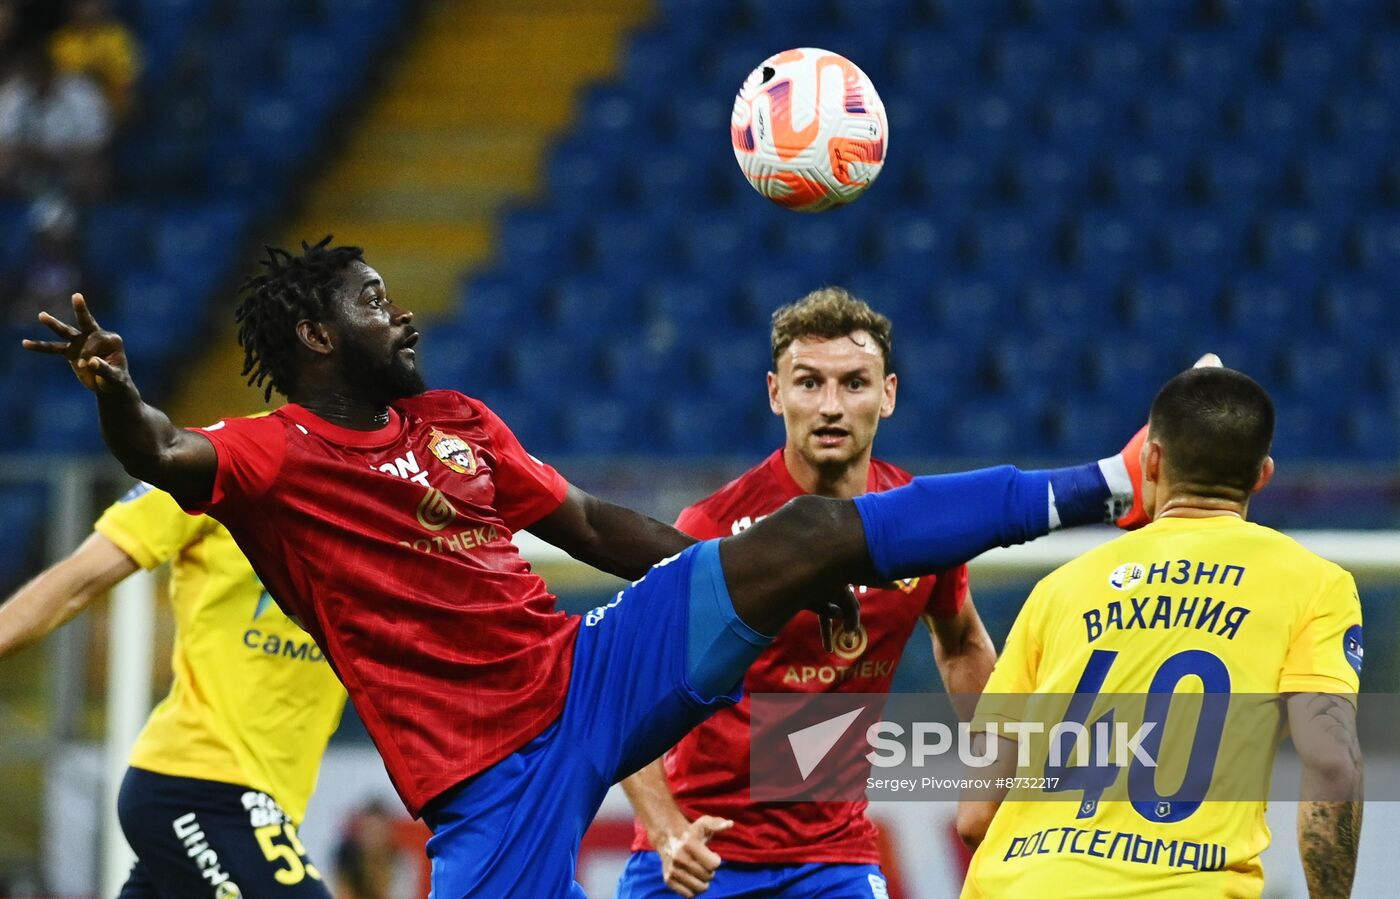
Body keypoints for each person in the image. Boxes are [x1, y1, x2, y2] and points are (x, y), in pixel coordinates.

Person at [23, 237, 1149, 896]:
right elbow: (165, 455)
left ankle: (1106, 477)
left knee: (804, 532)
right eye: (371, 300)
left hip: (584, 671)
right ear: (316, 338)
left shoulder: (457, 420)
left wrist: (735, 580)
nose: (400, 309)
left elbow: (591, 525)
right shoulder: (270, 454)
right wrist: (119, 395)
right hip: (491, 775)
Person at [618, 287, 997, 898]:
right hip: (701, 855)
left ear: (888, 395)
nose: (830, 407)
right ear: (776, 393)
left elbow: (961, 643)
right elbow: (626, 684)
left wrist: (992, 776)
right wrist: (664, 829)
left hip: (834, 859)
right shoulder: (713, 529)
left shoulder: (922, 526)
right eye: (808, 383)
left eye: (853, 383)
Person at [956, 366, 1364, 898]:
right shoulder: (1315, 585)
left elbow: (974, 817)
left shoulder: (1059, 588)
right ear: (1262, 474)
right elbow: (1332, 761)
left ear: (1150, 460)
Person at [0, 463, 347, 897]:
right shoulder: (220, 461)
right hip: (200, 785)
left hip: (271, 802)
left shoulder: (389, 488)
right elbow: (77, 579)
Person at [0, 46, 111, 200]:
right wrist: (29, 151)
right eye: (32, 77)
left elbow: (98, 140)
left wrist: (60, 151)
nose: (37, 82)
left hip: (72, 160)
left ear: (53, 73)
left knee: (93, 166)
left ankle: (91, 215)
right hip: (29, 162)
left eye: (42, 75)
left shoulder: (82, 92)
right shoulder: (16, 93)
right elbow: (5, 140)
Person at [49, 0, 140, 121]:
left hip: (110, 109)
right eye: (82, 4)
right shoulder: (60, 42)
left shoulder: (116, 38)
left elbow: (126, 80)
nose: (87, 10)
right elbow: (56, 83)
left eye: (92, 4)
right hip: (70, 111)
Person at [332, 800, 421, 899]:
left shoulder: (401, 862)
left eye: (378, 831)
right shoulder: (349, 862)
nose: (374, 837)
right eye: (370, 830)